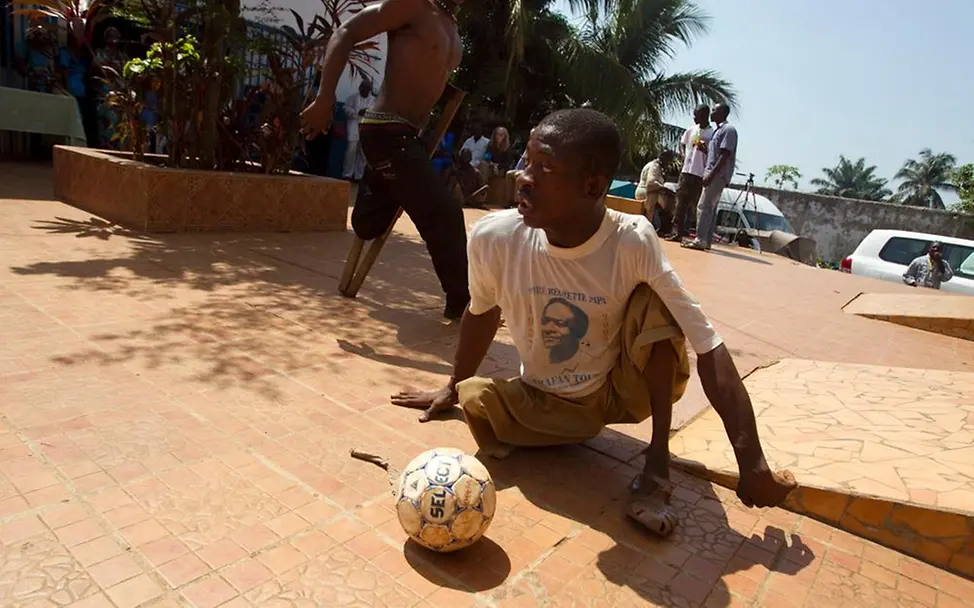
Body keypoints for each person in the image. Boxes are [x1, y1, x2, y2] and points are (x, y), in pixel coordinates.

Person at [391, 108, 796, 535]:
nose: (524, 177)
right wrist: (452, 386)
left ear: (594, 186)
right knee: (478, 398)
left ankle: (656, 467)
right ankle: (550, 425)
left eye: (546, 168)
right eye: (527, 161)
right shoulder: (495, 237)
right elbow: (482, 312)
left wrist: (752, 463)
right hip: (546, 403)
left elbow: (707, 345)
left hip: (616, 391)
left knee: (657, 303)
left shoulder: (631, 239)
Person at [299, 0, 470, 320]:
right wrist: (325, 98)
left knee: (371, 223)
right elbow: (346, 32)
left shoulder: (452, 26)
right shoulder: (414, 5)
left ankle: (373, 199)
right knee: (444, 212)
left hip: (411, 136)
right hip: (386, 130)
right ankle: (464, 302)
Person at [684, 103, 737, 251]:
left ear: (723, 113)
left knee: (703, 206)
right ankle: (705, 241)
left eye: (714, 111)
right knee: (710, 209)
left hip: (716, 175)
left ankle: (699, 240)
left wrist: (711, 175)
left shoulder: (728, 130)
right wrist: (705, 150)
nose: (711, 113)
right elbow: (715, 154)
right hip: (714, 173)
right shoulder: (718, 131)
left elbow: (725, 154)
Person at [668, 105, 713, 241]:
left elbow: (714, 153)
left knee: (697, 205)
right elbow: (683, 142)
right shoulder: (691, 130)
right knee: (680, 203)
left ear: (704, 115)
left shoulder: (712, 133)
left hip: (701, 173)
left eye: (696, 115)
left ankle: (699, 236)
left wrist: (705, 149)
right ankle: (678, 232)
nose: (694, 117)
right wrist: (683, 155)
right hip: (687, 171)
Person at [635, 150, 676, 234]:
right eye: (668, 161)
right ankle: (663, 228)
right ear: (663, 158)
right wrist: (665, 189)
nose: (669, 164)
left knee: (667, 199)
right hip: (646, 193)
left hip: (645, 192)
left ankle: (661, 228)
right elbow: (651, 183)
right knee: (669, 202)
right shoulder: (655, 166)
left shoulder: (656, 166)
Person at [342, 79, 374, 181]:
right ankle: (347, 174)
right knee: (351, 151)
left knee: (363, 153)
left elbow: (375, 113)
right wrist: (357, 112)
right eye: (361, 87)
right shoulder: (353, 97)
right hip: (354, 126)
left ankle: (358, 176)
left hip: (366, 127)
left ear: (369, 90)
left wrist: (367, 113)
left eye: (365, 88)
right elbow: (345, 108)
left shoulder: (373, 100)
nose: (362, 90)